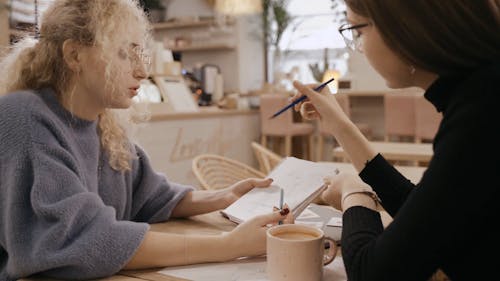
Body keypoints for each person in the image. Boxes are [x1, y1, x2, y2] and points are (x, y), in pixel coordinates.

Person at [0, 1, 292, 280]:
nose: (142, 71)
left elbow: (150, 196)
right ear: (75, 55)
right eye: (125, 54)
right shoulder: (24, 117)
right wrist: (230, 245)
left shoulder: (103, 124)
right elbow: (81, 241)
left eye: (140, 54)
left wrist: (223, 197)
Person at [292, 1, 500, 280]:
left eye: (358, 31)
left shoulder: (482, 113)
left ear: (402, 25)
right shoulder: (482, 92)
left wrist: (355, 193)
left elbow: (374, 272)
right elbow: (429, 213)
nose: (360, 47)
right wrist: (339, 124)